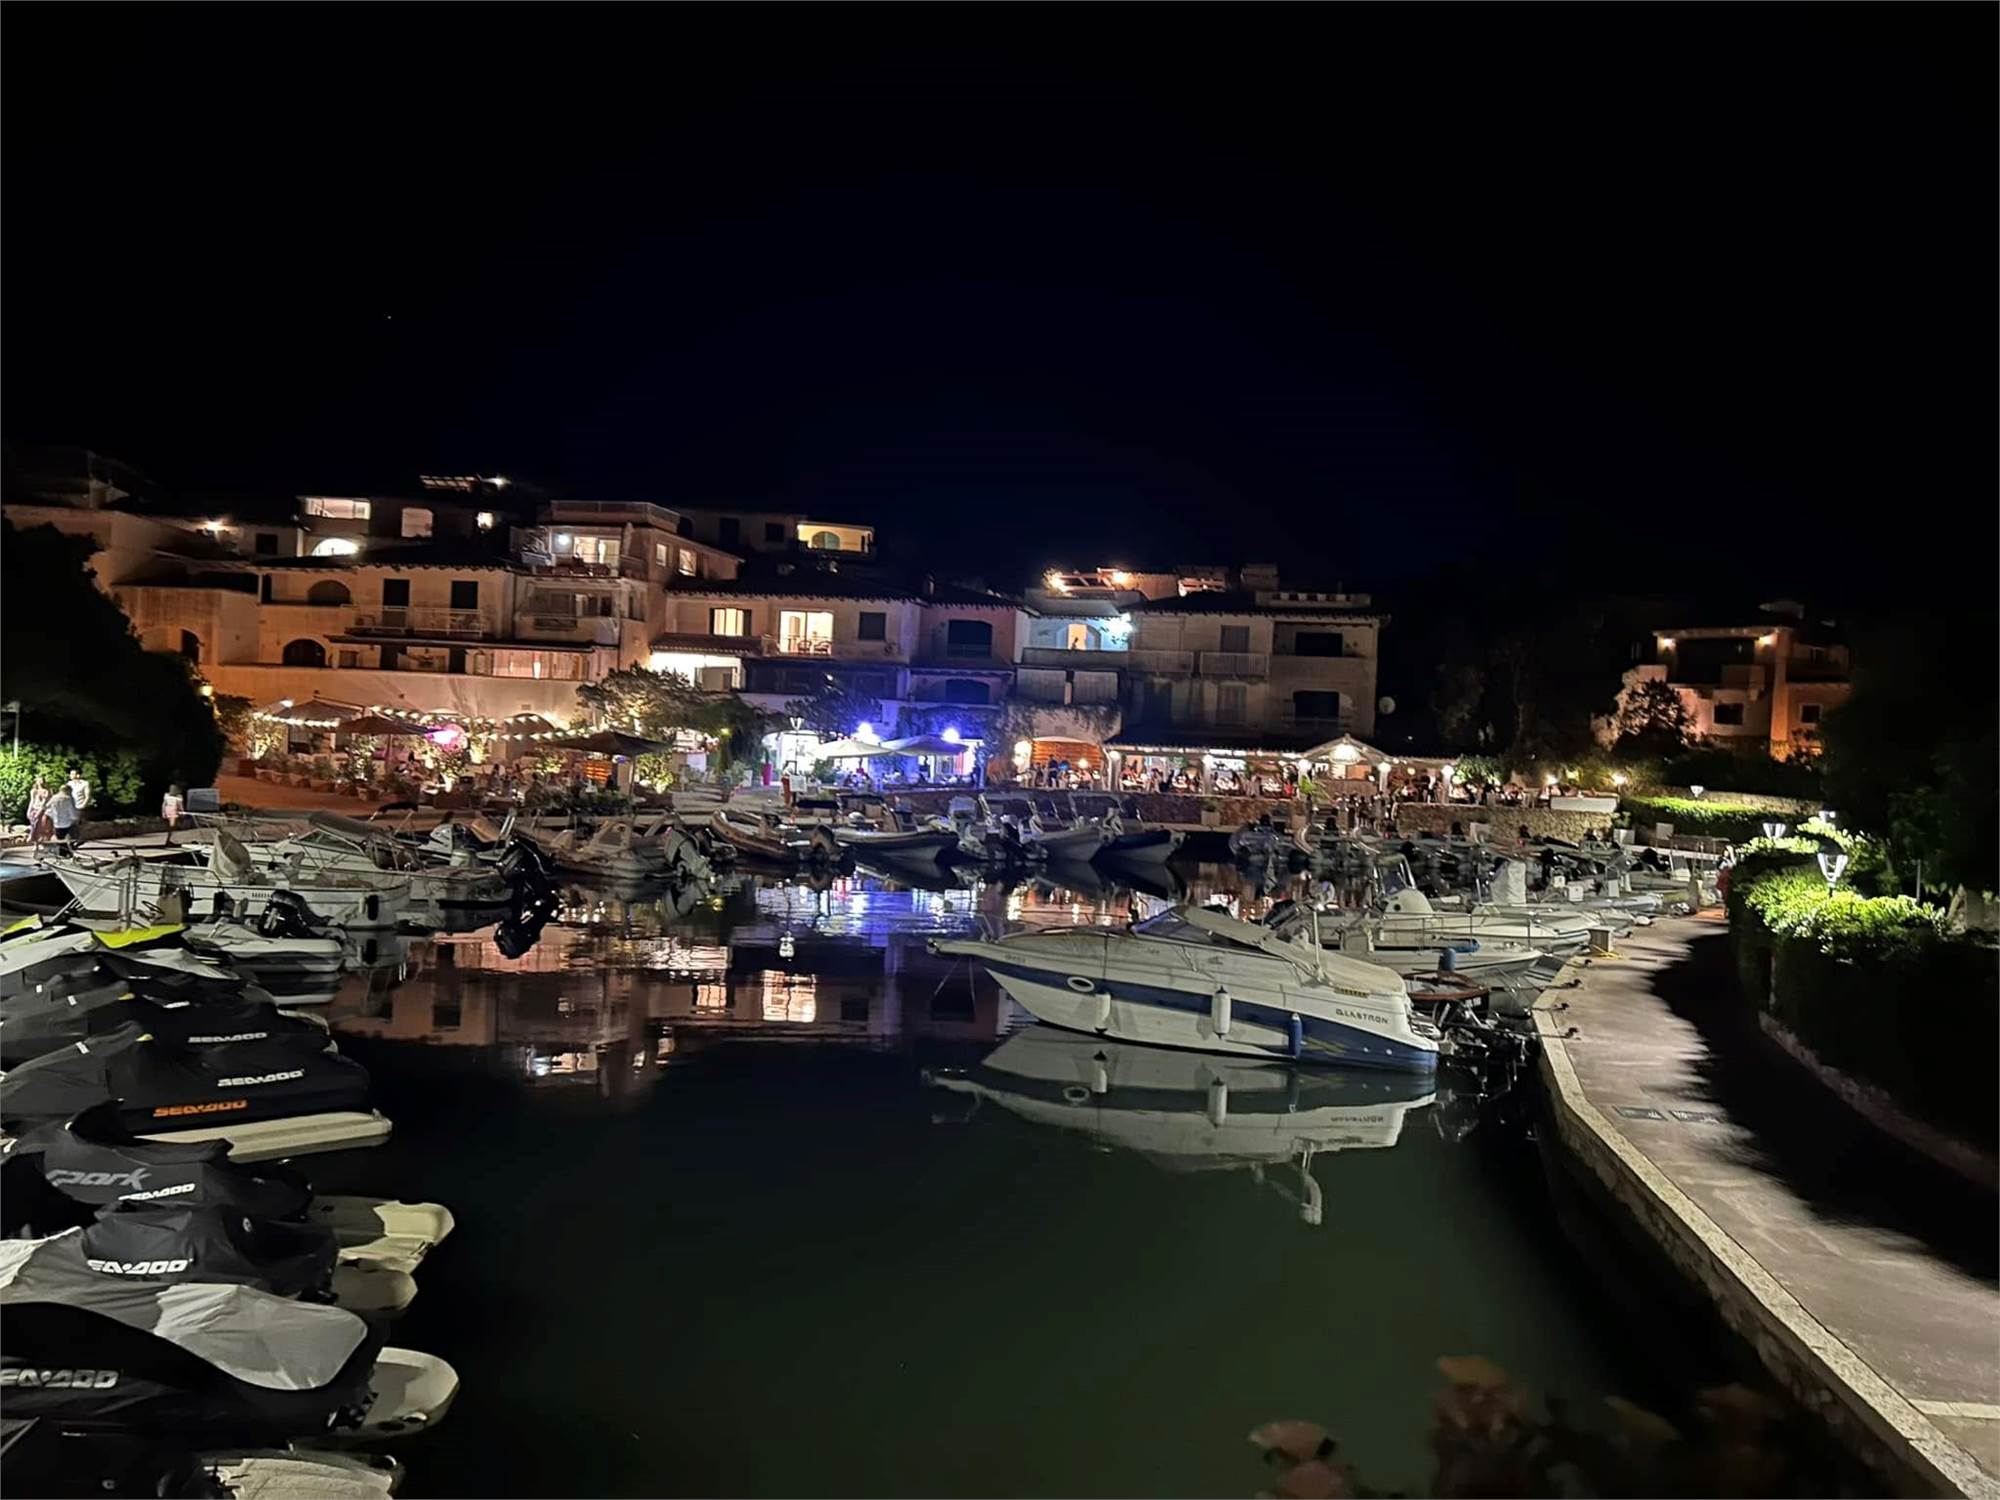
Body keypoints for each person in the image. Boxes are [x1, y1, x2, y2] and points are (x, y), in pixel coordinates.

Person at [46, 782, 78, 855]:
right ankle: (67, 852)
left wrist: (52, 815)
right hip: (67, 821)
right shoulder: (67, 799)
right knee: (70, 837)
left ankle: (62, 852)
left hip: (57, 822)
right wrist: (75, 818)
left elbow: (47, 807)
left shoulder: (54, 798)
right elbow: (71, 810)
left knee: (60, 838)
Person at [25, 775, 52, 861]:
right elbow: (32, 801)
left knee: (43, 827)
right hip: (34, 809)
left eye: (42, 780)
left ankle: (43, 843)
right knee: (35, 826)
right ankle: (35, 843)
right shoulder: (34, 791)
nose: (41, 782)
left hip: (43, 810)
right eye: (39, 781)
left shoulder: (47, 791)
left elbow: (44, 802)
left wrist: (40, 811)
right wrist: (29, 810)